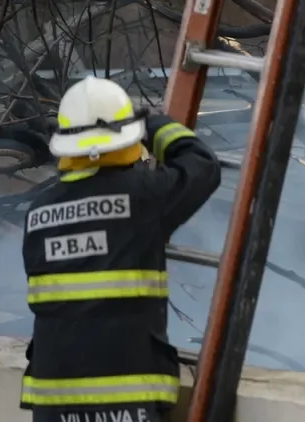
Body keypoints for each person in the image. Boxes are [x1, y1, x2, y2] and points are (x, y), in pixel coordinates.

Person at [20, 76, 221, 422]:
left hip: (52, 402)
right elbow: (202, 164)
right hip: (129, 402)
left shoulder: (38, 213)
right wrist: (155, 124)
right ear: (128, 138)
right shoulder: (143, 197)